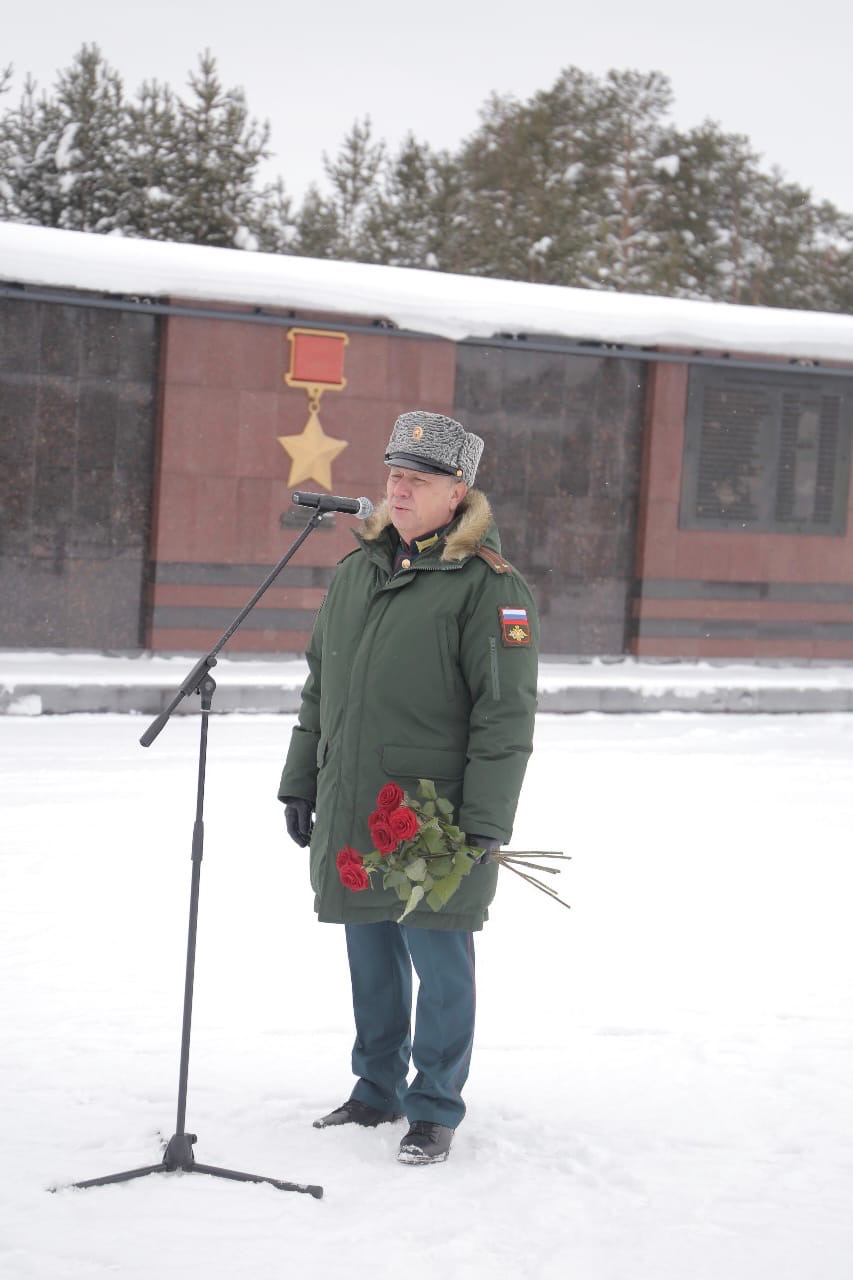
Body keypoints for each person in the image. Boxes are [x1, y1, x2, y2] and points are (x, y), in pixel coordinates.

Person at [278, 410, 538, 1165]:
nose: (397, 490)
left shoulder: (489, 586)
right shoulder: (357, 571)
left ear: (457, 493)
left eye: (416, 481)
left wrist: (485, 820)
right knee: (369, 951)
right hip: (356, 798)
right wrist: (301, 780)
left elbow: (505, 714)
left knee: (439, 959)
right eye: (393, 476)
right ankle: (375, 1088)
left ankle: (433, 1106)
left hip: (434, 813)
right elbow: (320, 687)